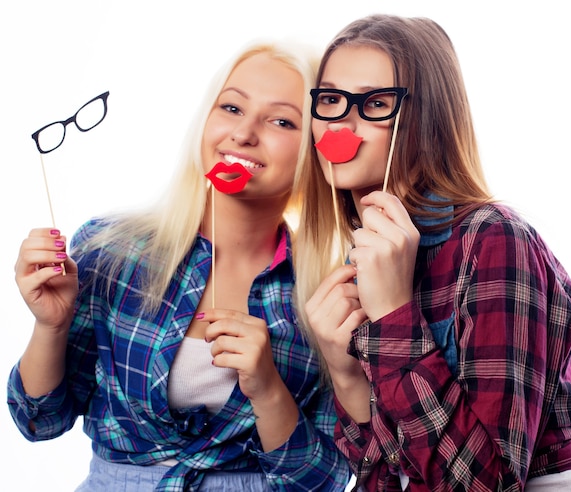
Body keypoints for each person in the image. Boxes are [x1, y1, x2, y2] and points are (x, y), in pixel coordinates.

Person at [8, 39, 351, 491]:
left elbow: (326, 479)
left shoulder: (329, 295)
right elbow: (39, 423)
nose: (244, 133)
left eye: (281, 120)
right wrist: (50, 327)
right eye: (231, 108)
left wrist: (268, 389)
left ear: (313, 150)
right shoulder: (110, 251)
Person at [294, 14, 571, 491]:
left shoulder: (495, 240)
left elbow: (486, 485)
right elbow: (380, 479)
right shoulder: (364, 259)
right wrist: (347, 377)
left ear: (426, 119)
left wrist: (394, 316)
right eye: (332, 100)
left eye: (375, 103)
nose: (342, 123)